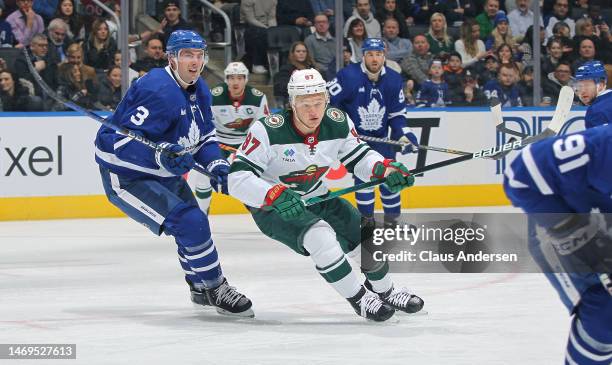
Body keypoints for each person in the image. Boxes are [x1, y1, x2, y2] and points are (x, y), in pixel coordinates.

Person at [228, 68, 424, 321]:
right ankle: (360, 299)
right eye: (305, 104)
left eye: (319, 103)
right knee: (320, 237)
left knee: (364, 236)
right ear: (291, 103)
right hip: (275, 206)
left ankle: (386, 292)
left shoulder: (338, 122)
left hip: (316, 194)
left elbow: (360, 156)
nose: (313, 112)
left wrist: (383, 169)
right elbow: (237, 179)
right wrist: (273, 194)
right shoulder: (267, 130)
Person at [94, 30, 253, 317]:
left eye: (199, 55)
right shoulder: (156, 89)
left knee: (195, 225)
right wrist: (158, 154)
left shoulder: (201, 88)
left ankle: (199, 286)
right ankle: (216, 287)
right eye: (187, 55)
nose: (194, 62)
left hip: (163, 173)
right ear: (172, 58)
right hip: (127, 178)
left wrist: (215, 163)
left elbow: (204, 136)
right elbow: (108, 145)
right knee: (190, 222)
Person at [503, 126, 612, 365]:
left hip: (600, 221)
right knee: (604, 308)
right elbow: (520, 175)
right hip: (557, 216)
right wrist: (565, 226)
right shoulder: (606, 146)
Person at [328, 38, 419, 227]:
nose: (374, 59)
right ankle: (366, 222)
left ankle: (393, 222)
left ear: (384, 56)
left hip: (382, 141)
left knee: (391, 179)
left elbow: (397, 115)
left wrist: (404, 135)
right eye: (370, 54)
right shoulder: (347, 76)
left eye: (378, 54)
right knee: (363, 180)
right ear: (363, 56)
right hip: (356, 142)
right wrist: (340, 129)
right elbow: (329, 105)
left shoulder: (394, 79)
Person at [192, 61, 269, 213]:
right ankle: (202, 213)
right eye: (231, 78)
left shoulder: (258, 98)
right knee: (202, 176)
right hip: (217, 142)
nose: (235, 82)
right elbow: (203, 123)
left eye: (240, 78)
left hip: (245, 143)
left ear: (246, 79)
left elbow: (264, 127)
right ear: (226, 79)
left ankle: (263, 215)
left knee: (253, 178)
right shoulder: (212, 96)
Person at [573, 60, 612, 129]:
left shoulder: (595, 110)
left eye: (587, 85)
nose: (582, 91)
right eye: (579, 85)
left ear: (601, 84)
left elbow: (601, 139)